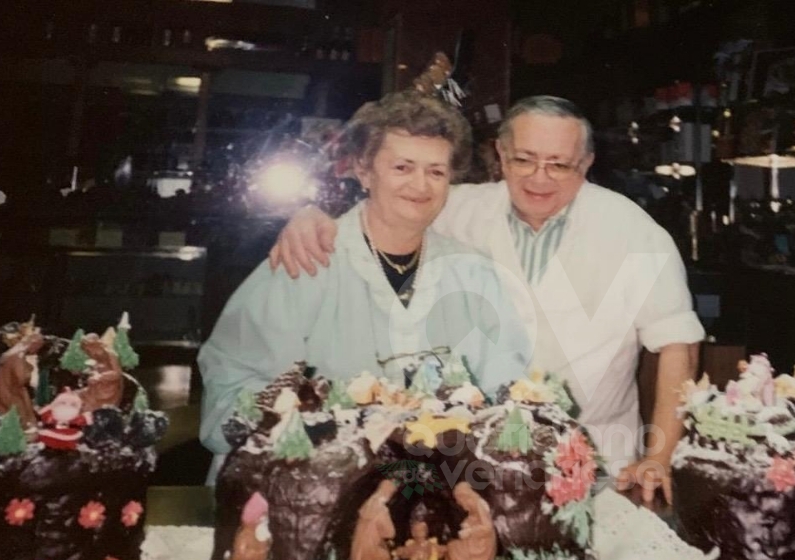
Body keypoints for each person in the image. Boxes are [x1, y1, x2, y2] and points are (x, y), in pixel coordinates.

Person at [268, 96, 704, 505]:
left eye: (559, 165)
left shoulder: (636, 232)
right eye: (524, 160)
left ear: (586, 163)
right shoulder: (458, 209)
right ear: (500, 154)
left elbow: (676, 346)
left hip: (598, 457)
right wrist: (312, 220)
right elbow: (375, 219)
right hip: (464, 459)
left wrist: (658, 458)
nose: (539, 178)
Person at [198, 91, 531, 481]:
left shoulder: (473, 273)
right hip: (305, 493)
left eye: (436, 171)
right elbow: (229, 394)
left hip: (430, 494)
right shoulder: (306, 259)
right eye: (402, 167)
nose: (420, 185)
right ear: (364, 170)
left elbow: (507, 392)